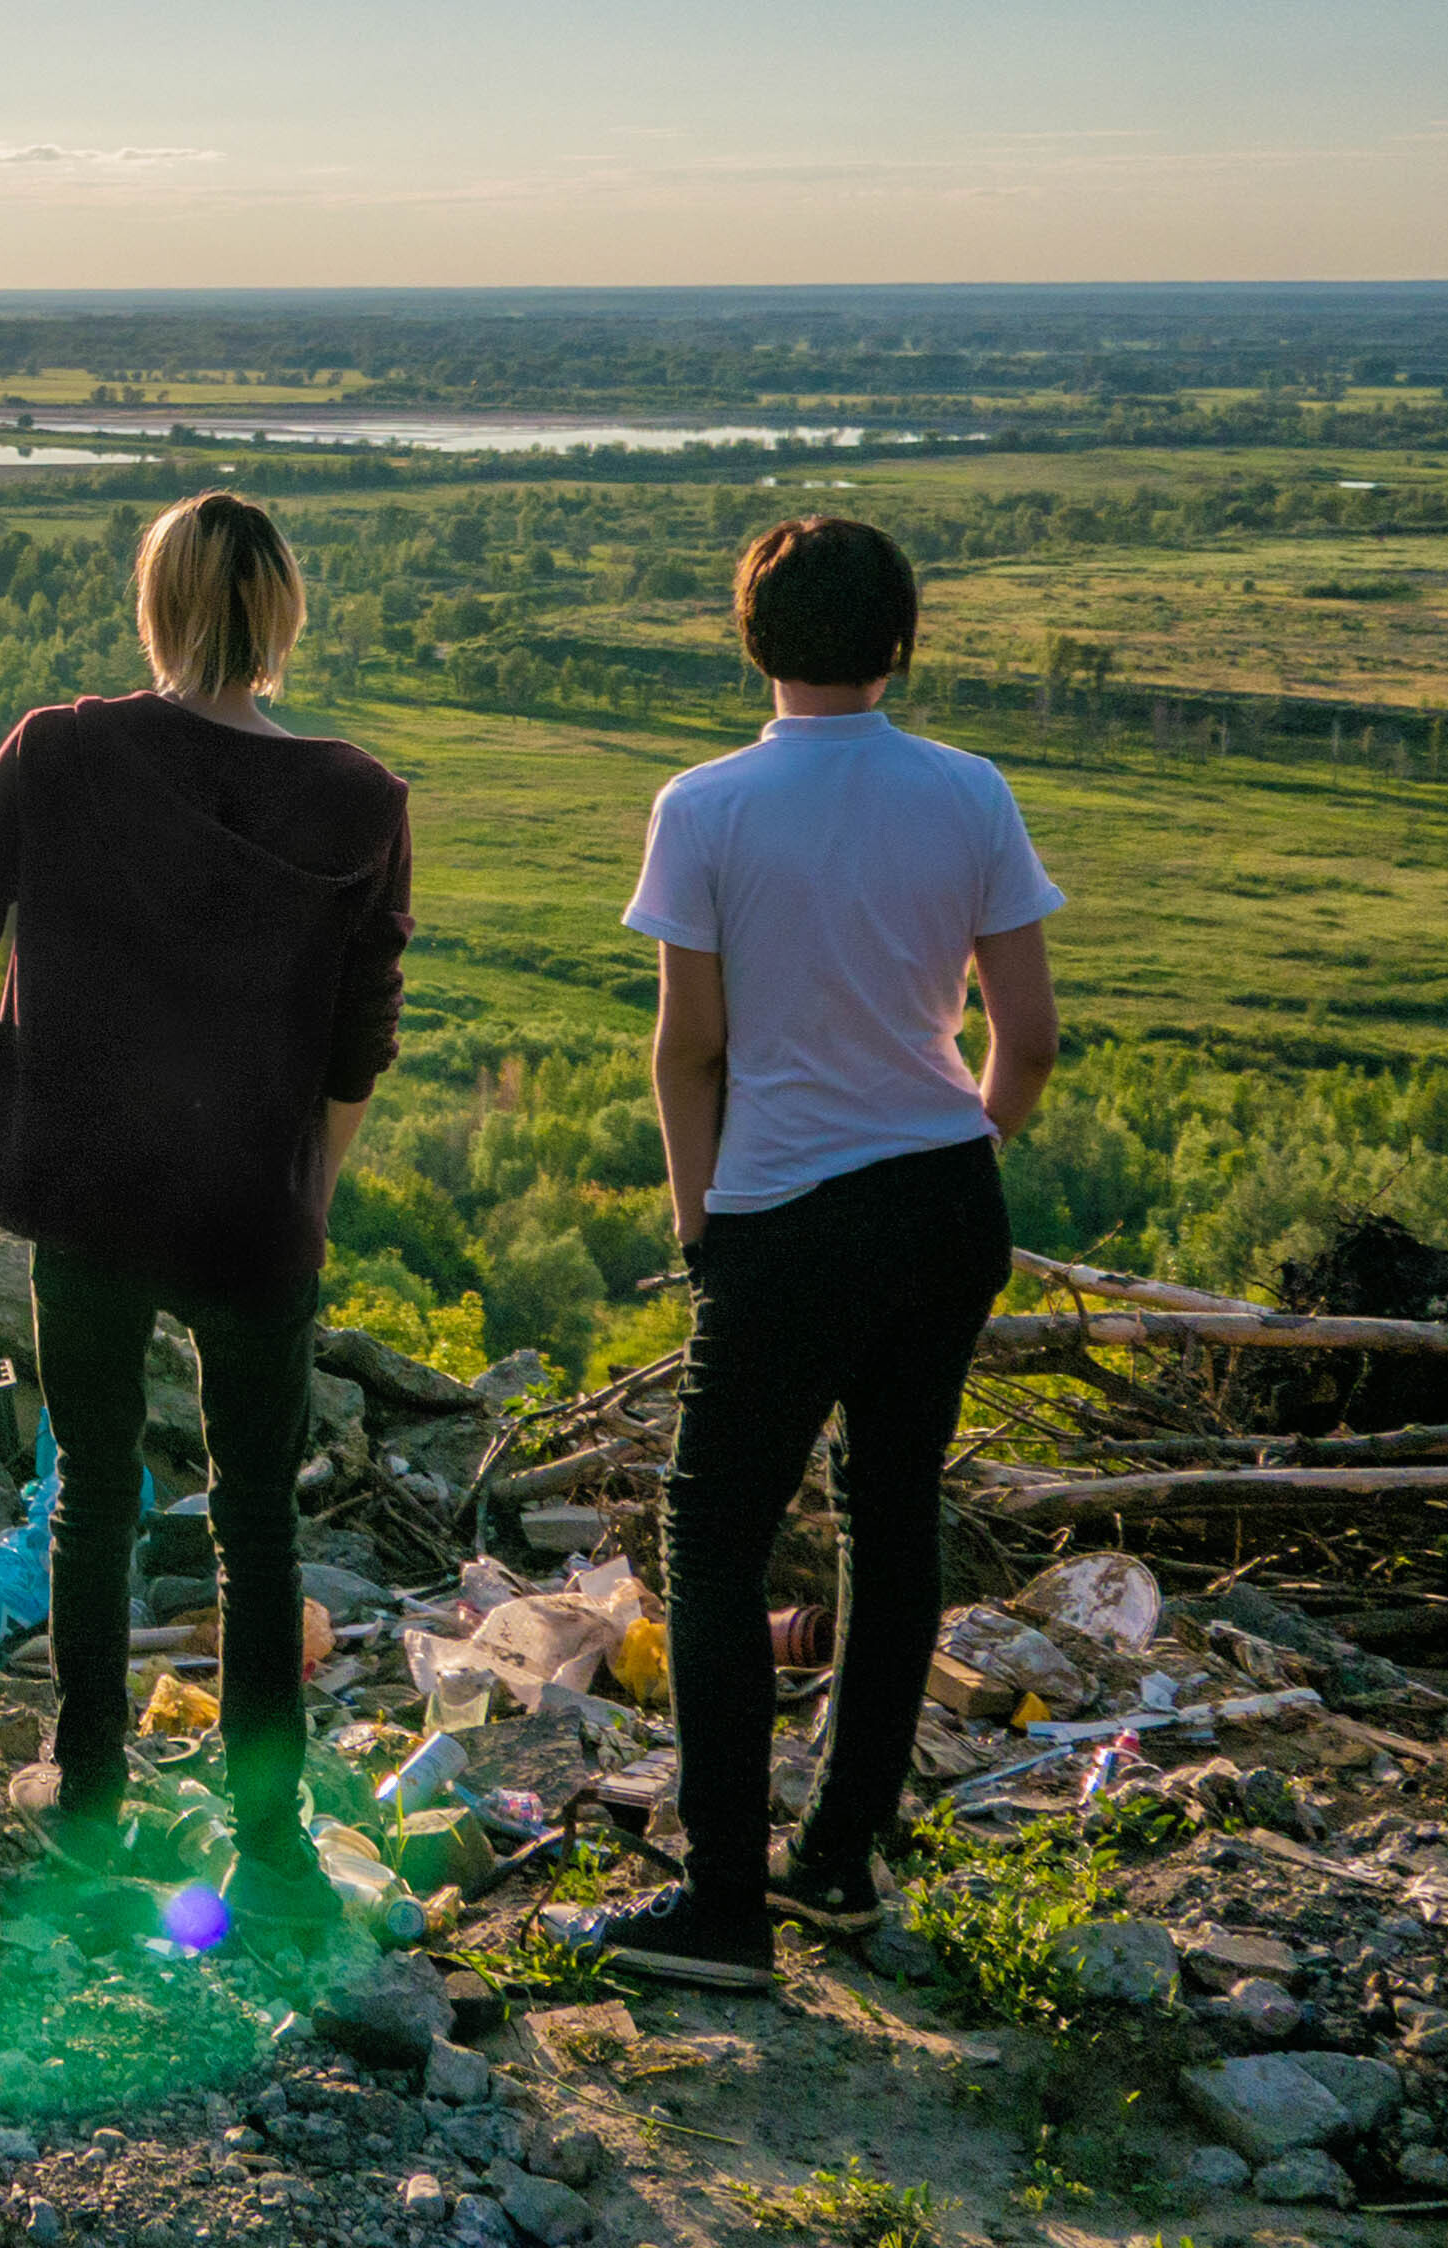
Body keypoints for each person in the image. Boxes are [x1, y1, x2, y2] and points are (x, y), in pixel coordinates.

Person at [0, 492, 411, 1948]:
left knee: (96, 1495)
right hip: (256, 1206)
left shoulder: (62, 751)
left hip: (91, 1191)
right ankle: (272, 1851)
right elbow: (357, 1046)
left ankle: (87, 1799)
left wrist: (15, 1107)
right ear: (284, 612)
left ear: (159, 606)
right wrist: (308, 1191)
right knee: (259, 1520)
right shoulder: (360, 800)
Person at [564, 514, 1062, 1989]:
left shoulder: (705, 806)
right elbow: (1027, 1038)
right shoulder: (970, 794)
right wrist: (964, 1140)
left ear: (754, 640)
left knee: (711, 1537)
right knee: (893, 1516)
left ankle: (724, 1910)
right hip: (944, 1197)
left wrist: (698, 1222)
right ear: (900, 643)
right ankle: (838, 1863)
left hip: (784, 1210)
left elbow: (691, 1048)